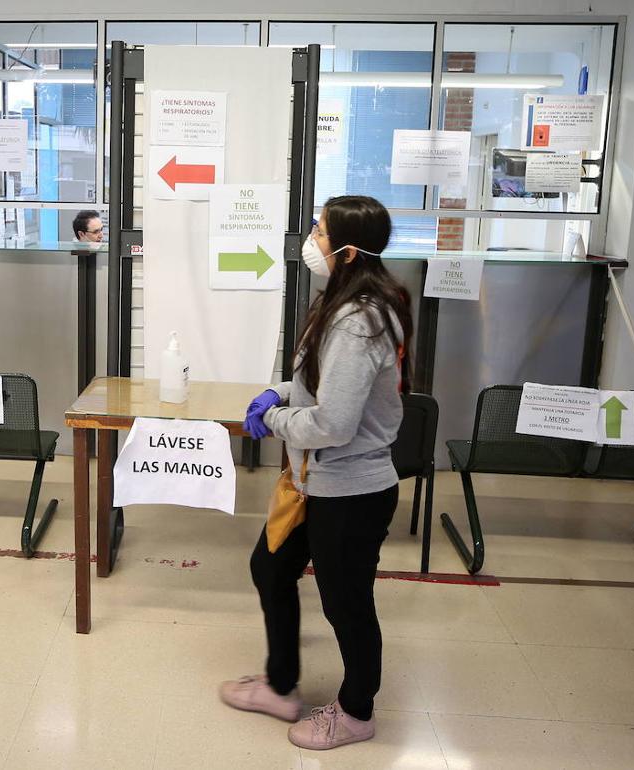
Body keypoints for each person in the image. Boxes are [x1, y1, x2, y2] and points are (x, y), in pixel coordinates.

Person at [219, 195, 412, 751]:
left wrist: (274, 418)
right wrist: (277, 393)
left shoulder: (361, 320)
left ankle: (356, 713)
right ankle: (281, 687)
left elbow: (334, 423)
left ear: (348, 250)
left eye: (320, 231)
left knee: (346, 603)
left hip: (349, 490)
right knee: (271, 568)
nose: (311, 239)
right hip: (312, 482)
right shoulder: (340, 301)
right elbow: (316, 384)